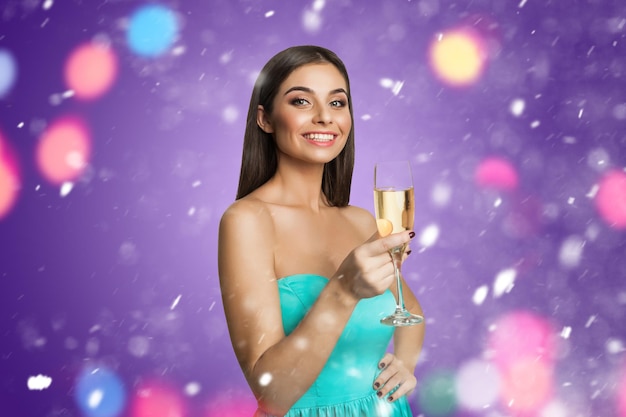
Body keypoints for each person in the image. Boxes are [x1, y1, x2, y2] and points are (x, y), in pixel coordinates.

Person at [218, 45, 425, 417]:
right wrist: (343, 290)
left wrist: (405, 365)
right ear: (264, 119)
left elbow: (408, 310)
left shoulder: (362, 221)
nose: (324, 118)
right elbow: (273, 395)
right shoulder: (246, 221)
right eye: (301, 102)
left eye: (336, 103)